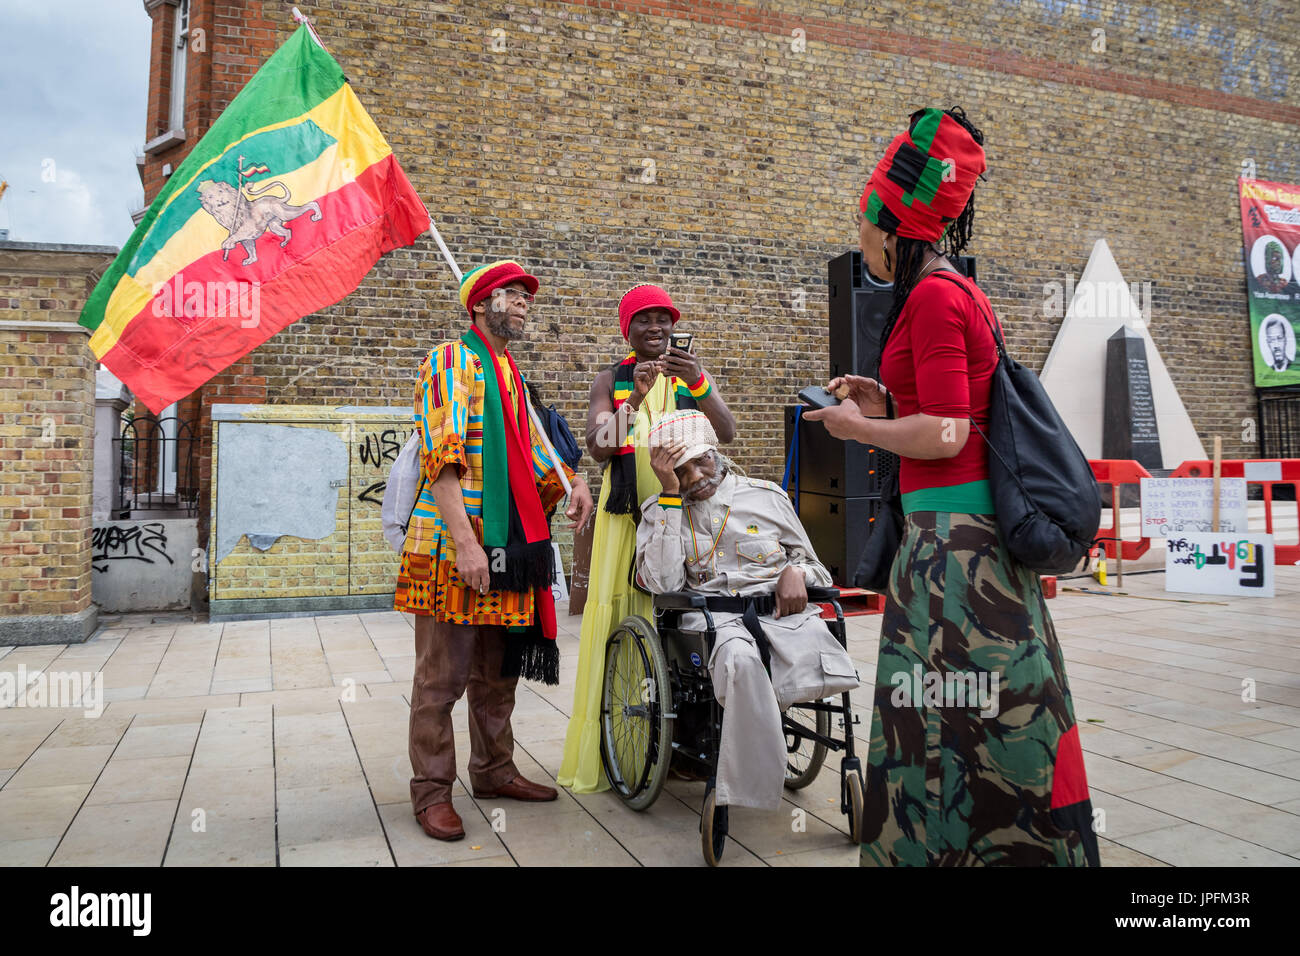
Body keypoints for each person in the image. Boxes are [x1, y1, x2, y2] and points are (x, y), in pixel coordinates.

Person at [803, 107, 1099, 866]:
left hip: (958, 560)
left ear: (891, 224)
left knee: (958, 724)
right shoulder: (940, 290)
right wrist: (883, 402)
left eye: (864, 224)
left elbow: (947, 434)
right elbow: (941, 414)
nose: (859, 239)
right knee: (957, 720)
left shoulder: (935, 297)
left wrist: (858, 429)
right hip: (949, 548)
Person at [396, 259, 594, 841]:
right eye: (514, 294)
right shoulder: (450, 360)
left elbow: (535, 453)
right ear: (481, 304)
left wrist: (574, 482)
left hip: (508, 546)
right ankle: (432, 792)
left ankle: (493, 770)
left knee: (497, 672)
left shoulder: (510, 373)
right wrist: (465, 542)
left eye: (527, 294)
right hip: (454, 546)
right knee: (441, 677)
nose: (526, 301)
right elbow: (442, 453)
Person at [558, 284, 736, 794]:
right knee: (623, 617)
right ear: (628, 330)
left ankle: (684, 743)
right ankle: (617, 739)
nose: (656, 327)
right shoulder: (611, 379)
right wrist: (632, 398)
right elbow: (598, 448)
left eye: (664, 318)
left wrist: (700, 382)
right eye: (644, 320)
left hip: (685, 515)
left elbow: (726, 433)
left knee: (684, 626)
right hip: (628, 516)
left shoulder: (691, 375)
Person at [635, 410, 859, 812]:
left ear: (716, 453)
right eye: (681, 470)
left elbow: (816, 565)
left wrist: (796, 572)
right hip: (713, 622)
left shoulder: (766, 496)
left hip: (778, 615)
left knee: (813, 650)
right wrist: (670, 496)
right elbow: (663, 586)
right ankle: (741, 792)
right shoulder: (658, 511)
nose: (696, 477)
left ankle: (764, 744)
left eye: (701, 461)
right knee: (741, 662)